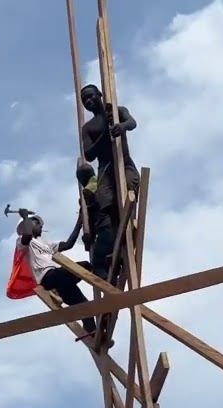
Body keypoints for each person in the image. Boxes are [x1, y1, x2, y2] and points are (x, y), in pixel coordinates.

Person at [18, 213, 107, 344]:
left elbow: (68, 244)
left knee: (84, 306)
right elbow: (26, 238)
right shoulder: (24, 242)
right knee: (84, 266)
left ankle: (93, 335)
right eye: (36, 223)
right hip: (47, 277)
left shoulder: (46, 245)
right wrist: (26, 219)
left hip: (61, 280)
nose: (40, 226)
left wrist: (79, 222)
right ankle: (54, 290)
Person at [80, 83, 139, 281]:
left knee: (128, 199)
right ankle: (107, 255)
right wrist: (105, 132)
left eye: (91, 97)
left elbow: (132, 122)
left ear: (99, 95)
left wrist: (120, 126)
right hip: (105, 171)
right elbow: (88, 154)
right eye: (84, 100)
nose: (88, 101)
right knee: (107, 211)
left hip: (124, 165)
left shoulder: (116, 111)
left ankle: (125, 244)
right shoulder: (88, 128)